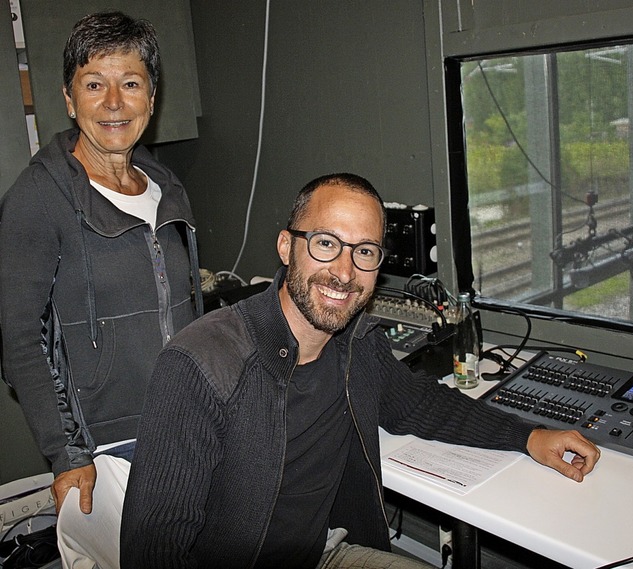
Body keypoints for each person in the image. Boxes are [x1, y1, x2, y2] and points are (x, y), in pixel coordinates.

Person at [120, 173, 600, 569]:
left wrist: (528, 436)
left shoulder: (356, 343)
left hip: (325, 554)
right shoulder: (199, 365)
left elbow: (421, 405)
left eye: (364, 251)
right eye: (327, 243)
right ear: (287, 247)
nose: (345, 272)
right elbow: (154, 549)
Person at [0, 11, 203, 569]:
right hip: (108, 450)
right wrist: (68, 455)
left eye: (130, 83)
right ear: (70, 99)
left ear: (151, 98)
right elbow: (20, 340)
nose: (114, 102)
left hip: (187, 428)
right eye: (95, 85)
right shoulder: (38, 197)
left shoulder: (166, 185)